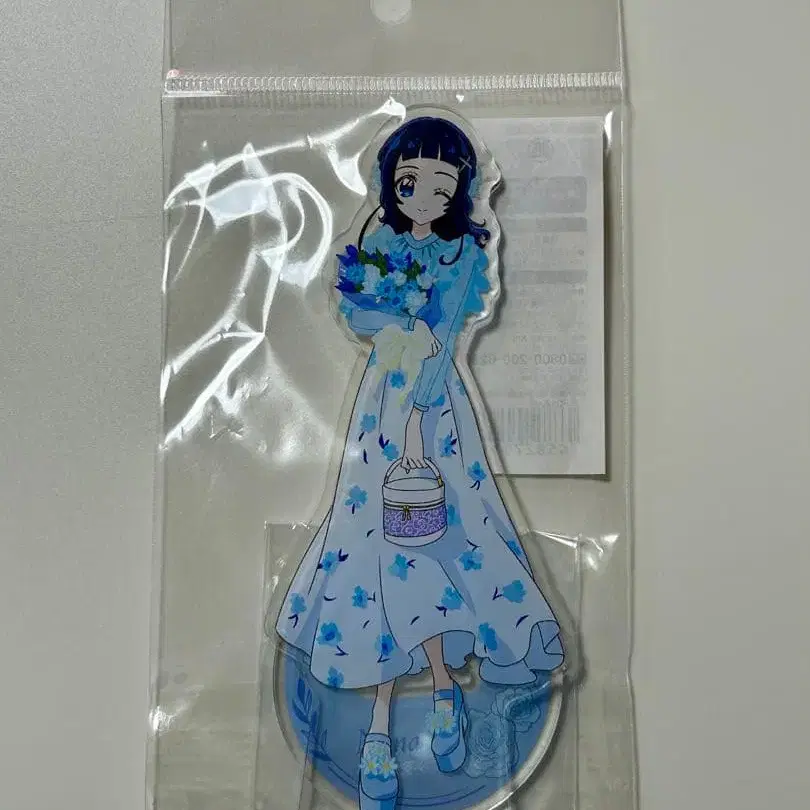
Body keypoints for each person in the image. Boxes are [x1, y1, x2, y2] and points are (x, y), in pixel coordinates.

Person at [276, 116, 564, 810]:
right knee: (375, 545)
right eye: (411, 182)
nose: (427, 197)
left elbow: (442, 341)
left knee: (438, 537)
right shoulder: (381, 241)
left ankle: (442, 692)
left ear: (462, 189)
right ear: (391, 184)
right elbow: (361, 310)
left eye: (443, 185)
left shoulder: (461, 255)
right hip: (382, 402)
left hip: (429, 411)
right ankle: (387, 721)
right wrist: (388, 322)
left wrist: (414, 425)